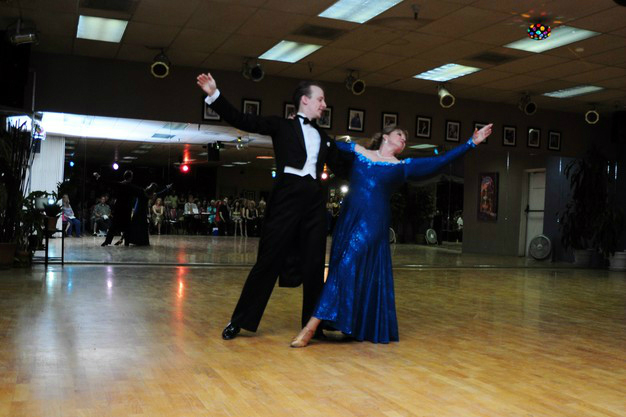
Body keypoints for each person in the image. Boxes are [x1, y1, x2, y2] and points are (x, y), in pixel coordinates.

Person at [290, 123, 493, 347]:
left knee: (347, 264)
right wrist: (300, 126)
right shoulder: (358, 151)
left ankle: (311, 327)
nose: (403, 139)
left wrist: (470, 143)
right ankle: (352, 324)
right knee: (344, 265)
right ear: (385, 137)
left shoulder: (401, 167)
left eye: (405, 139)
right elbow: (327, 145)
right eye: (400, 134)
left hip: (373, 222)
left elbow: (440, 161)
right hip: (348, 219)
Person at [197, 72, 352, 340]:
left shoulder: (325, 137)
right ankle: (240, 320)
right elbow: (243, 120)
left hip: (315, 204)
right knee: (267, 261)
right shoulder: (282, 126)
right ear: (305, 100)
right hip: (286, 200)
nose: (324, 105)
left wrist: (378, 159)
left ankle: (313, 326)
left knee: (315, 266)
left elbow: (346, 168)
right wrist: (214, 95)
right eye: (320, 99)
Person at [97, 170, 143, 247]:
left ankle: (107, 242)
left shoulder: (119, 184)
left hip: (119, 208)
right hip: (127, 209)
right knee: (127, 226)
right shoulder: (132, 187)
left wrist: (99, 177)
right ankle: (126, 243)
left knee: (114, 225)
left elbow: (109, 182)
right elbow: (141, 191)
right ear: (130, 177)